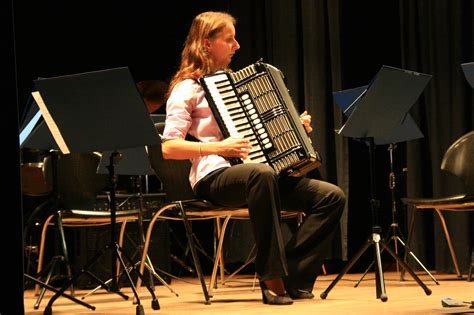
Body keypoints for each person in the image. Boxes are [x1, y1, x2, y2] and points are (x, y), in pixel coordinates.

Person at [161, 11, 345, 305]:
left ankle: (292, 275)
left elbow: (260, 133)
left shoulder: (237, 85)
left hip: (261, 177)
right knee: (260, 174)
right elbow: (169, 148)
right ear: (206, 44)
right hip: (216, 178)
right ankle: (271, 277)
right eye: (228, 39)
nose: (236, 46)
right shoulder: (188, 88)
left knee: (330, 196)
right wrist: (218, 148)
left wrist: (295, 126)